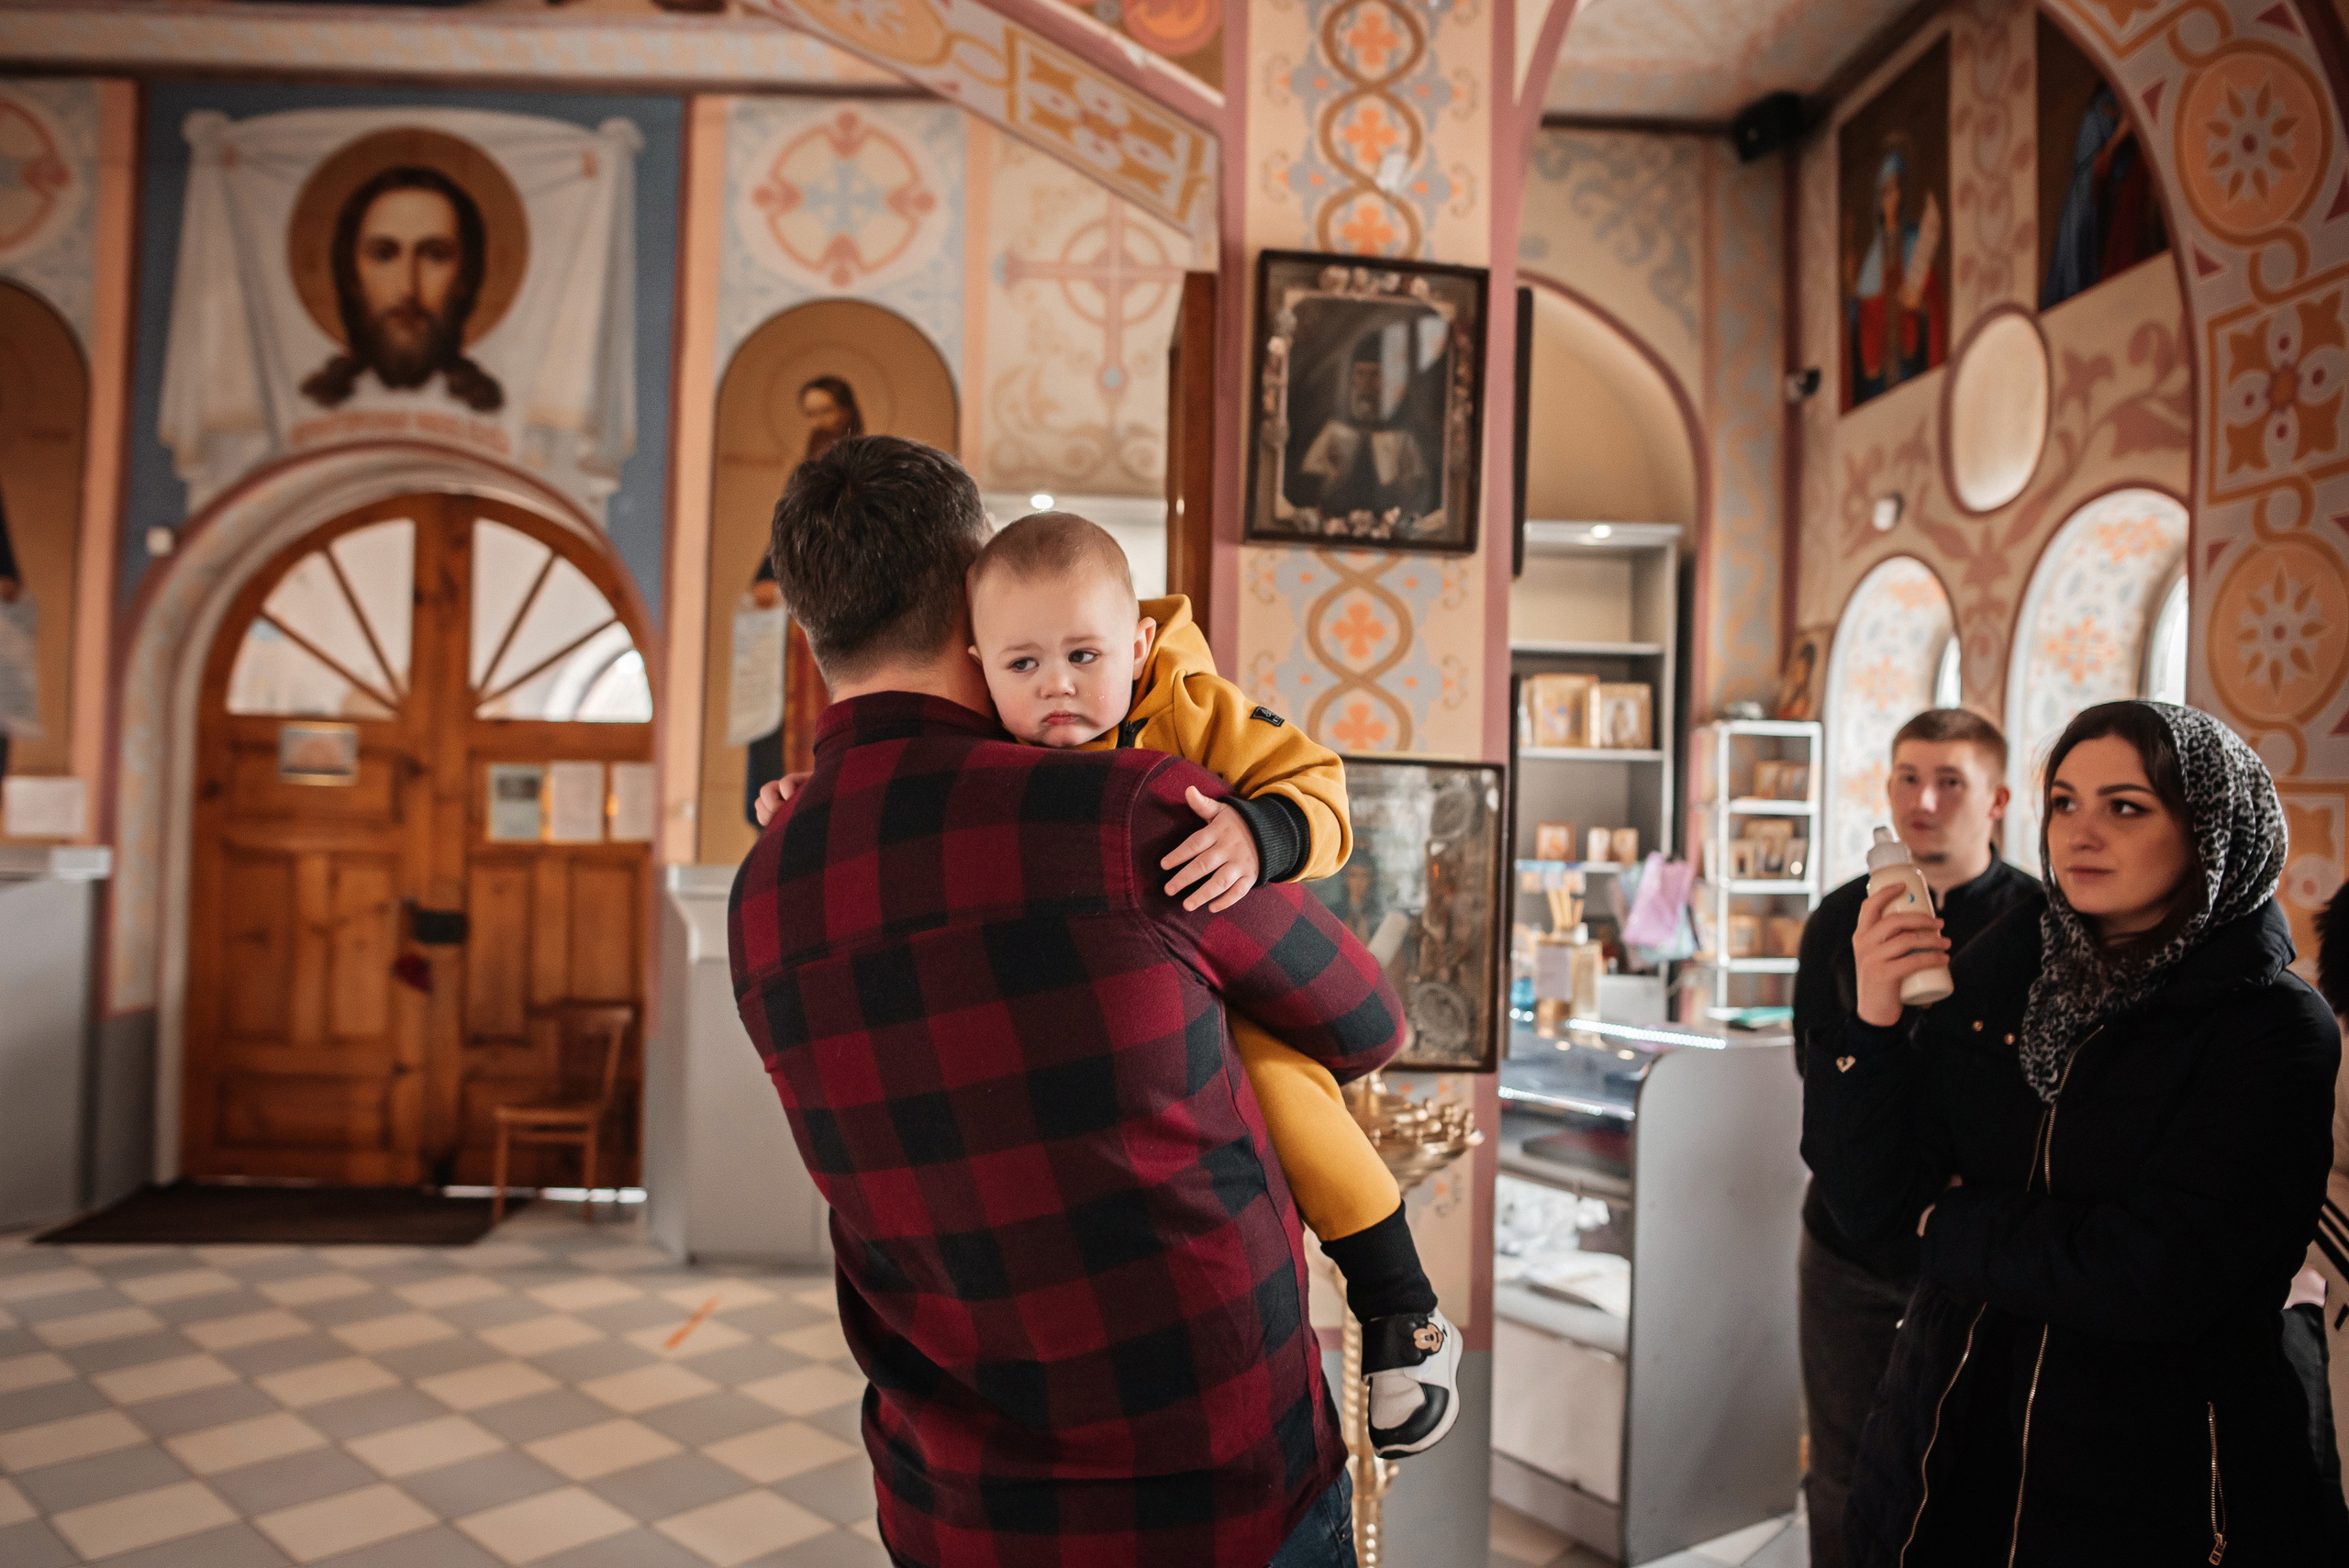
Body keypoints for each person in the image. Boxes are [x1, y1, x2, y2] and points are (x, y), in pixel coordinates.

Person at [730, 434, 1406, 1567]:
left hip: (952, 1509)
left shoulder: (766, 882)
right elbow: (1364, 1016)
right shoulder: (1126, 814)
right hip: (1205, 1494)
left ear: (812, 635)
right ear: (970, 601)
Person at [963, 510, 1458, 1454]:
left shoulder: (1191, 706)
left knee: (1283, 1092)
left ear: (1139, 645)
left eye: (1082, 654)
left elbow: (1316, 783)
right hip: (1092, 1003)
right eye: (1021, 665)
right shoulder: (983, 736)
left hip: (1225, 981)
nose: (1056, 685)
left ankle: (1401, 1304)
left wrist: (1256, 832)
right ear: (977, 661)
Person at [1806, 700, 2339, 1564]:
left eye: (2125, 806)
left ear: (2206, 827)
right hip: (1943, 1448)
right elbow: (1870, 1201)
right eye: (2065, 802)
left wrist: (1951, 1223)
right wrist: (1869, 1024)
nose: (2081, 832)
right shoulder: (1998, 976)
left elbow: (2163, 1274)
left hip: (2152, 1477)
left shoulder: (2273, 1028)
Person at [1790, 708, 2034, 1568]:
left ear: (1998, 798)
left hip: (1983, 1252)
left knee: (1979, 1470)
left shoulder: (2040, 924)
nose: (1922, 801)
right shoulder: (1835, 923)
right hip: (1851, 1248)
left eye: (1950, 781)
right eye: (1906, 778)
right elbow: (1825, 1103)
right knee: (1847, 1472)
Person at [742, 375, 862, 822]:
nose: (819, 424)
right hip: (803, 617)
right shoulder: (805, 473)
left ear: (847, 411)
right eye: (811, 415)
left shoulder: (867, 468)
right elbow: (788, 534)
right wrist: (768, 576)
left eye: (826, 411)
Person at [301, 164, 503, 412]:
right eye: (383, 255)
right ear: (352, 276)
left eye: (435, 256)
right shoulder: (307, 404)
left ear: (464, 276)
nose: (408, 289)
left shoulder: (489, 408)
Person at [1844, 147, 1943, 406]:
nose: (1893, 197)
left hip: (1909, 355)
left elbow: (1933, 301)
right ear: (1879, 198)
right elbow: (1864, 314)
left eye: (1897, 188)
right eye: (1887, 191)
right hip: (1881, 367)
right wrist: (1853, 294)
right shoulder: (1872, 257)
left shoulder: (1913, 240)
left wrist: (1919, 305)